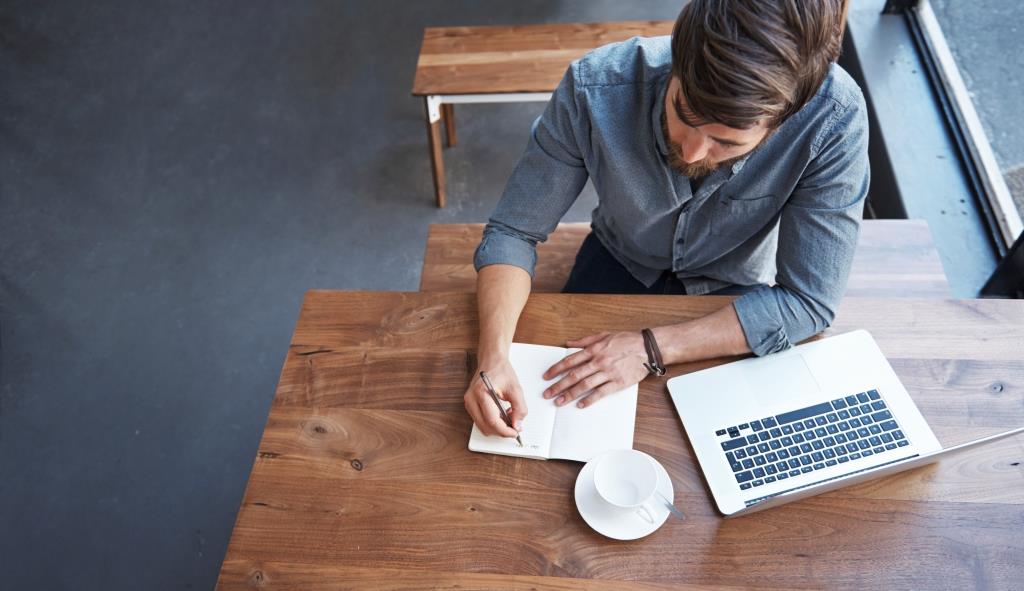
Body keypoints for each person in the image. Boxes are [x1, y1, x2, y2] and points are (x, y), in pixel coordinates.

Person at [464, 0, 867, 439]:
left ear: (784, 120)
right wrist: (493, 358)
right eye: (684, 114)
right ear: (678, 61)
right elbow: (512, 232)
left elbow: (809, 301)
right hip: (618, 258)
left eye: (726, 143)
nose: (692, 153)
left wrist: (651, 347)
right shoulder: (595, 87)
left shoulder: (834, 120)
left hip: (732, 291)